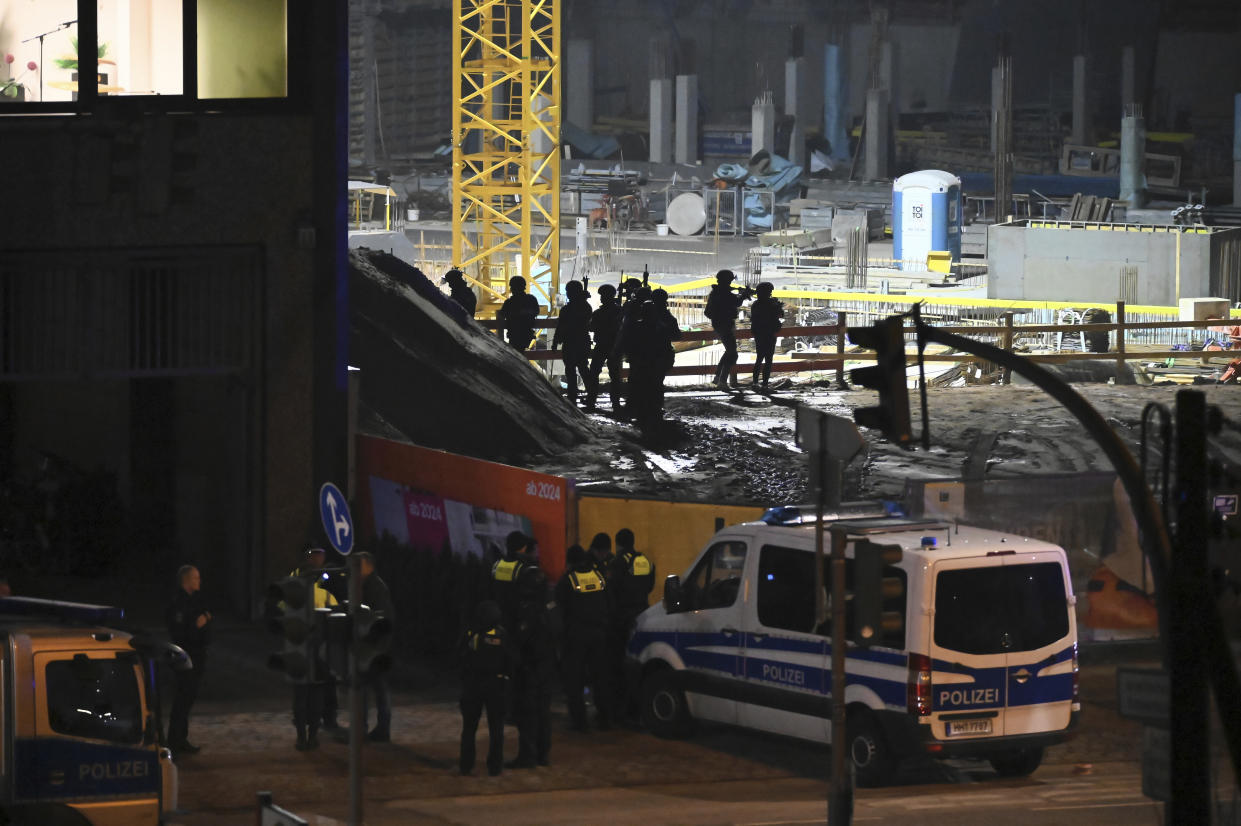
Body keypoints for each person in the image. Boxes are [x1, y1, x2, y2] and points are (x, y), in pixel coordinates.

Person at [556, 544, 613, 732]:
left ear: (569, 561)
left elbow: (560, 609)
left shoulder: (567, 580)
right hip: (599, 635)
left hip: (576, 637)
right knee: (600, 678)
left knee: (575, 680)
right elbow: (607, 601)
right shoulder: (598, 577)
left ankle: (580, 722)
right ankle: (605, 718)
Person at [507, 563, 559, 769]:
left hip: (531, 666)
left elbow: (521, 637)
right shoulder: (551, 604)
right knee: (543, 711)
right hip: (547, 664)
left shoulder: (529, 608)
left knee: (528, 712)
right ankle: (543, 755)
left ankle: (528, 756)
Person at [288, 546, 339, 750]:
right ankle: (313, 736)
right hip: (319, 653)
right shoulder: (325, 595)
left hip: (297, 651)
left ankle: (301, 736)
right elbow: (335, 622)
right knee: (317, 695)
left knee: (299, 697)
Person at [458, 600, 512, 777]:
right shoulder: (503, 635)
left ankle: (466, 765)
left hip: (474, 684)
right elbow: (511, 660)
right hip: (496, 685)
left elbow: (461, 656)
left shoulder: (473, 634)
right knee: (496, 728)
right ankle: (495, 766)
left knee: (469, 727)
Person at [608, 528, 656, 719]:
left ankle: (623, 710)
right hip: (642, 614)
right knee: (638, 663)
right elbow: (650, 584)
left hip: (622, 618)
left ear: (618, 543)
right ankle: (637, 708)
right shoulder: (644, 560)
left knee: (620, 665)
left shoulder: (618, 562)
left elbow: (611, 590)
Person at [167, 564, 212, 758]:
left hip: (197, 656)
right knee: (182, 700)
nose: (199, 581)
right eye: (196, 578)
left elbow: (206, 619)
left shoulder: (194, 600)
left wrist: (204, 622)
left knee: (188, 699)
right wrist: (198, 624)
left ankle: (181, 739)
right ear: (186, 580)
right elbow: (181, 634)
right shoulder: (178, 603)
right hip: (185, 658)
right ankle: (173, 742)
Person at [357, 552, 394, 742]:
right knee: (374, 688)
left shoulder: (375, 587)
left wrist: (373, 641)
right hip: (373, 645)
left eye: (359, 564)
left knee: (374, 687)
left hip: (374, 646)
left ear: (368, 565)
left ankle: (378, 728)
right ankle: (376, 727)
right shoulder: (367, 585)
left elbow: (380, 617)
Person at [551, 280, 597, 408]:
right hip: (582, 341)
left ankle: (573, 397)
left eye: (568, 291)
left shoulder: (568, 309)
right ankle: (591, 396)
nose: (567, 294)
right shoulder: (586, 307)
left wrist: (556, 341)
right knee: (583, 368)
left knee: (571, 370)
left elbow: (561, 327)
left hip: (571, 342)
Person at [705, 269, 752, 390]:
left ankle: (718, 378)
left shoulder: (716, 292)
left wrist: (741, 294)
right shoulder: (723, 293)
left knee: (729, 351)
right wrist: (743, 295)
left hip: (720, 324)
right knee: (732, 353)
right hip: (724, 324)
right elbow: (735, 302)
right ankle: (722, 380)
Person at [587, 283, 624, 413]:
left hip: (602, 345)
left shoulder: (599, 313)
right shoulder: (620, 311)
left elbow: (591, 327)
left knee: (594, 373)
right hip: (614, 346)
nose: (601, 298)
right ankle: (616, 403)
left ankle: (591, 400)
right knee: (615, 375)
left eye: (603, 296)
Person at [491, 530, 536, 628]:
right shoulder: (522, 568)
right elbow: (530, 596)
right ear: (522, 548)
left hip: (499, 616)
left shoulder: (496, 565)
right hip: (518, 620)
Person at [749, 281, 784, 391]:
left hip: (759, 334)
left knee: (759, 358)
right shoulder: (770, 304)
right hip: (769, 333)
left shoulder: (756, 304)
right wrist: (778, 306)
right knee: (768, 359)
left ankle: (755, 382)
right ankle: (764, 384)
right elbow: (780, 315)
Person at [496, 275, 540, 351]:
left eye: (512, 287)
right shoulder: (531, 299)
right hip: (526, 334)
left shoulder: (509, 302)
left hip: (514, 335)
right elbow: (536, 311)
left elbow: (502, 315)